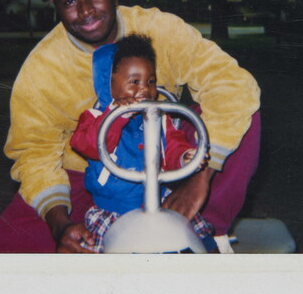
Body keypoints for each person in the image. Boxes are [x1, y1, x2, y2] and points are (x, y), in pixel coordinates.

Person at [0, 0, 261, 254]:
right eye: (70, 1)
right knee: (6, 243)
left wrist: (200, 175)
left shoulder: (160, 28)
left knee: (243, 115)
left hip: (168, 157)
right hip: (89, 174)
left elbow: (232, 84)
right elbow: (34, 152)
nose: (86, 10)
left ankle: (205, 228)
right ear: (57, 9)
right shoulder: (43, 66)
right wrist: (59, 223)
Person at [70, 34, 217, 253]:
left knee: (196, 233)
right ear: (108, 83)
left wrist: (184, 156)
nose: (144, 90)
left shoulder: (156, 116)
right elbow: (88, 144)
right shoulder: (95, 117)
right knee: (98, 255)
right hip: (113, 210)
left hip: (158, 199)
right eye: (134, 82)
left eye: (150, 81)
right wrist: (117, 114)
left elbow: (172, 144)